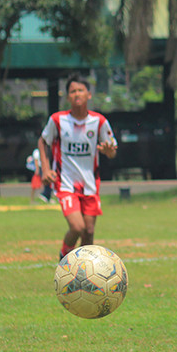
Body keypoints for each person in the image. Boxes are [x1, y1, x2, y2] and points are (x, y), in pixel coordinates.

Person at [38, 75, 117, 259]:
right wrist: (46, 168)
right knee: (77, 227)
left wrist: (108, 151)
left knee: (89, 232)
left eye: (80, 90)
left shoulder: (99, 122)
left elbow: (112, 150)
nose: (77, 94)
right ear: (67, 97)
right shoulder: (58, 120)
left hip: (90, 184)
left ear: (89, 94)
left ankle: (83, 272)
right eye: (72, 91)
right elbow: (43, 142)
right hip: (66, 184)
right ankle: (64, 256)